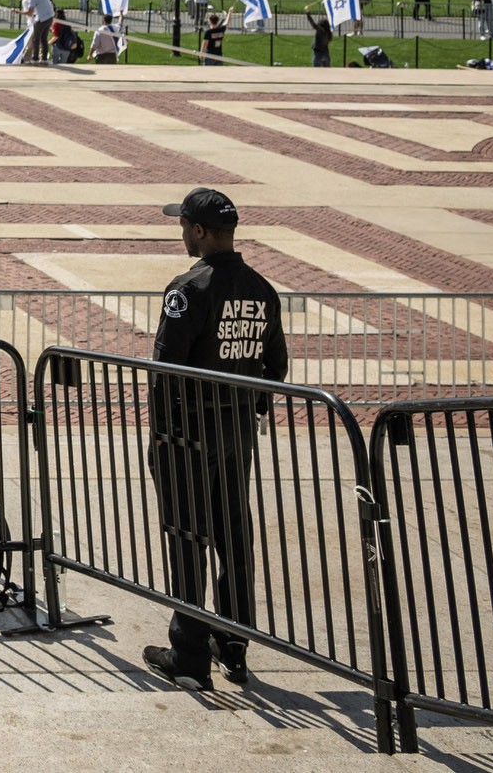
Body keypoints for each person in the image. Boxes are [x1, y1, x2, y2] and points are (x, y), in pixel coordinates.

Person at [144, 188, 287, 695]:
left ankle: (188, 656)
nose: (182, 234)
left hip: (190, 434)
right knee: (233, 537)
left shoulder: (191, 288)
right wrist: (248, 411)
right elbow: (276, 368)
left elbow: (165, 370)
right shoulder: (261, 289)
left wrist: (162, 434)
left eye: (184, 225)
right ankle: (234, 645)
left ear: (201, 232)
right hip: (237, 431)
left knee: (188, 539)